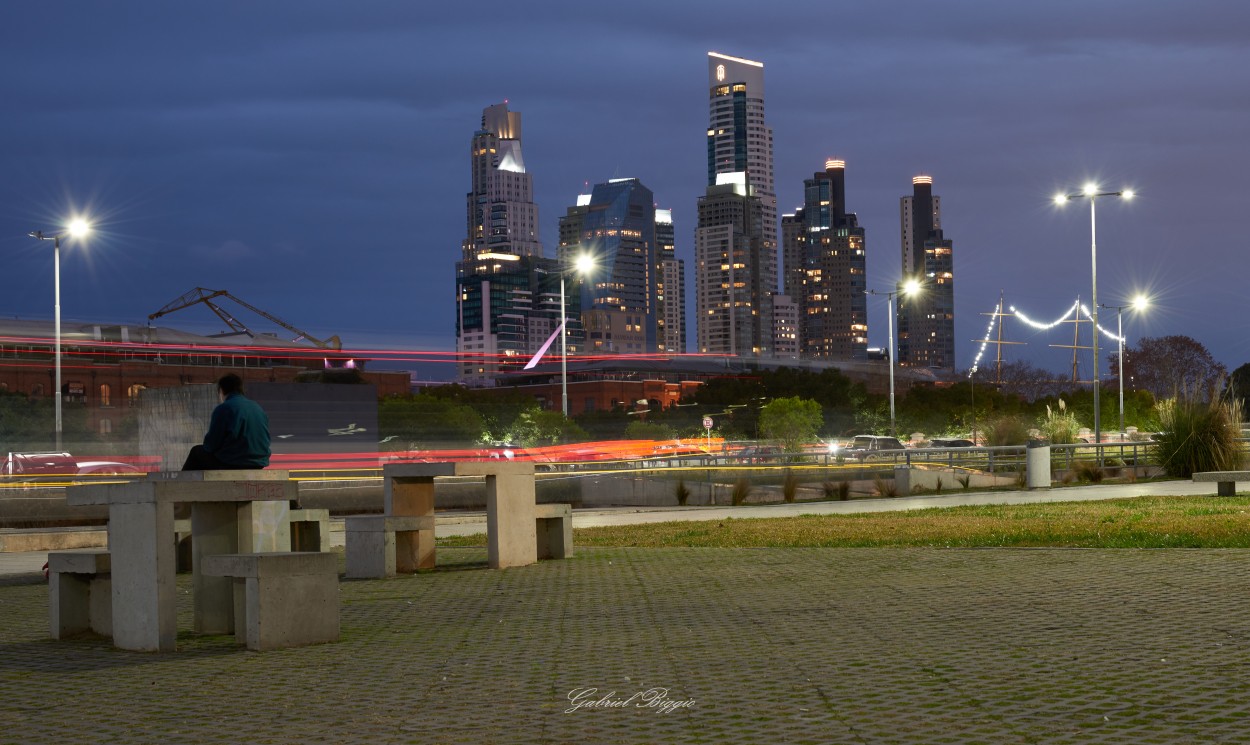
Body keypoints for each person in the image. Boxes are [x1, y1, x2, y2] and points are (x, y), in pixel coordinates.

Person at [181, 374, 271, 470]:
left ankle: (181, 484)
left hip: (234, 462)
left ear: (222, 390)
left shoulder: (225, 408)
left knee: (196, 452)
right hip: (259, 462)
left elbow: (211, 445)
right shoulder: (257, 408)